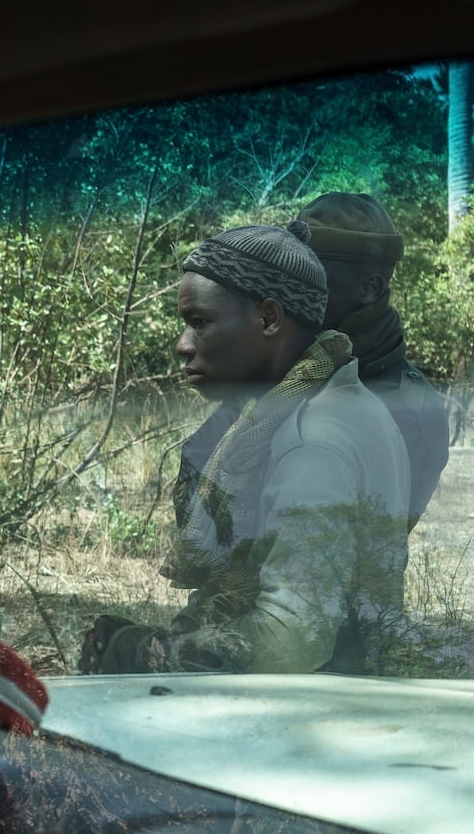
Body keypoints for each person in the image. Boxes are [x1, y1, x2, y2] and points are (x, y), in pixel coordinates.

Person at [82, 222, 409, 676]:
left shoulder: (313, 440)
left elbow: (294, 639)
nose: (182, 345)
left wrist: (148, 655)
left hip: (320, 712)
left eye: (200, 323)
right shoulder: (331, 403)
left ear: (270, 319)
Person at [298, 192, 448, 529]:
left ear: (370, 288)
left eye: (311, 278)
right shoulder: (281, 362)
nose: (290, 291)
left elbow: (378, 546)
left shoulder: (412, 409)